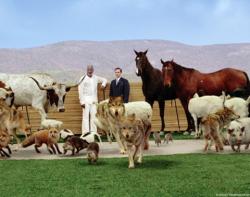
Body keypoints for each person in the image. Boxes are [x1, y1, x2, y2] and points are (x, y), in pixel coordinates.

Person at [78, 65, 107, 135]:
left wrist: (103, 84)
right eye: (89, 70)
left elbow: (104, 80)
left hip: (94, 100)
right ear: (86, 70)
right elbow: (80, 91)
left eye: (91, 70)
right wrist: (81, 102)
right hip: (85, 101)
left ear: (93, 70)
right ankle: (85, 132)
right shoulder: (82, 78)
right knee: (85, 117)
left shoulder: (96, 77)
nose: (90, 71)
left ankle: (93, 132)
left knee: (94, 116)